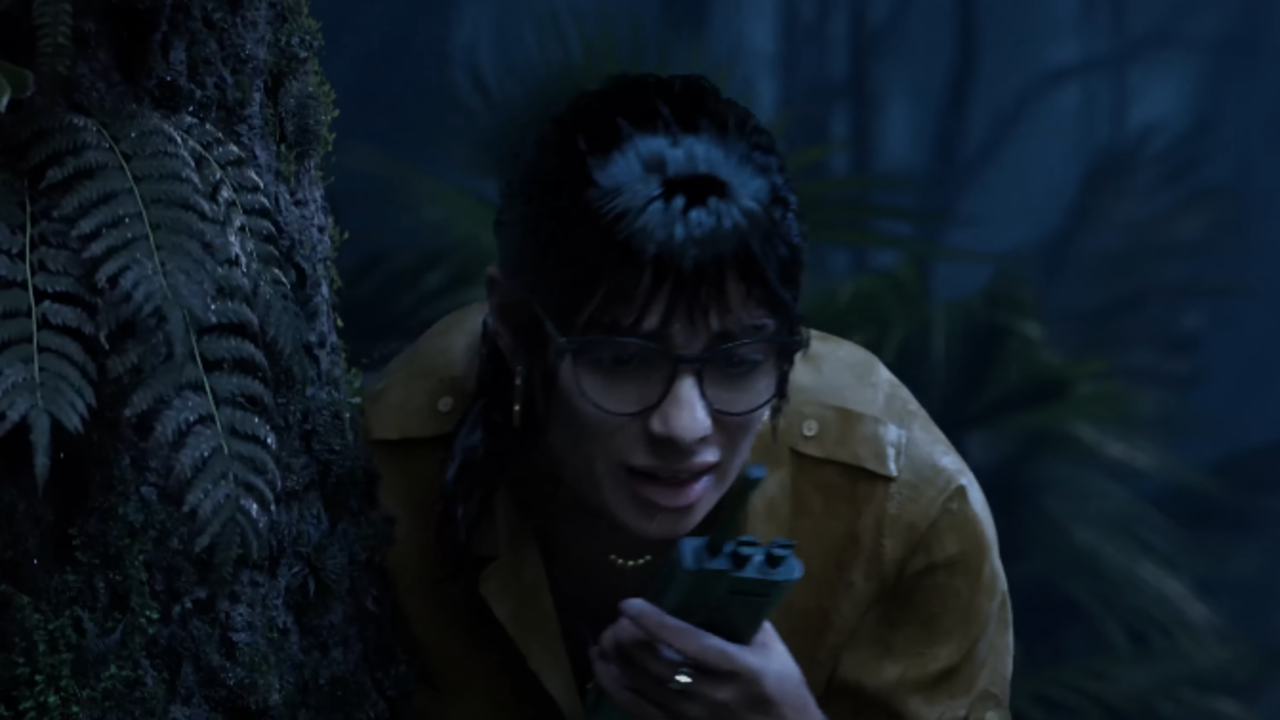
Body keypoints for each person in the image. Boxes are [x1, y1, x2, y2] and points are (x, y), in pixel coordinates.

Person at [363, 73, 1013, 720]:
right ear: (512, 325)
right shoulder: (387, 466)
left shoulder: (906, 506)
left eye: (738, 361)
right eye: (622, 360)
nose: (684, 425)